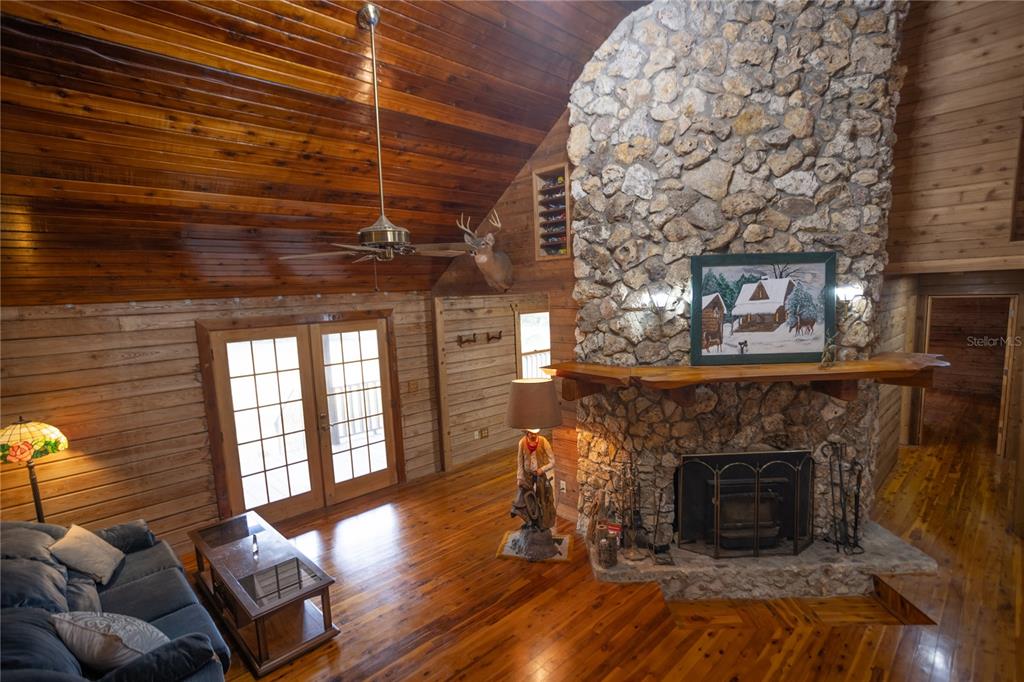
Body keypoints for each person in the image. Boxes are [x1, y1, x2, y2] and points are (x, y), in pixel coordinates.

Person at [510, 429, 555, 531]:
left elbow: (552, 461)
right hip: (527, 476)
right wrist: (520, 477)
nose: (534, 435)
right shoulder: (522, 443)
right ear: (527, 433)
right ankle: (530, 521)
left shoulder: (543, 441)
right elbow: (520, 461)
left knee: (542, 499)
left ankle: (542, 523)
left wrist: (542, 469)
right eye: (531, 433)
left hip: (540, 476)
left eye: (535, 433)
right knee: (526, 498)